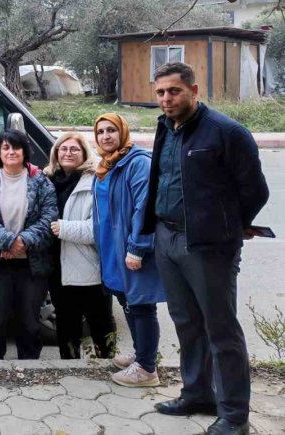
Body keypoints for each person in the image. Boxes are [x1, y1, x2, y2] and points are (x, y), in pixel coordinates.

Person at [145, 63, 269, 435]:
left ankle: (234, 416)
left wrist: (228, 226)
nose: (166, 99)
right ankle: (197, 394)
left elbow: (255, 190)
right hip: (167, 239)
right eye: (160, 92)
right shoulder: (166, 128)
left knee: (221, 331)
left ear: (194, 90)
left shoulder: (227, 132)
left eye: (174, 91)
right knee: (186, 323)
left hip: (208, 247)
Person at [92, 113, 165, 388]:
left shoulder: (137, 163)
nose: (106, 136)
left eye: (111, 130)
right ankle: (141, 353)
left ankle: (146, 369)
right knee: (127, 302)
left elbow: (144, 207)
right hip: (112, 246)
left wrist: (137, 247)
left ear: (122, 132)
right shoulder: (107, 165)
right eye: (100, 132)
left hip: (131, 248)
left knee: (141, 305)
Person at [0, 129, 57, 360]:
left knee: (29, 322)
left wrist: (23, 242)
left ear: (24, 151)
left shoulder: (41, 181)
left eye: (16, 147)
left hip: (31, 264)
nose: (11, 152)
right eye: (5, 147)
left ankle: (29, 365)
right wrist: (9, 242)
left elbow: (49, 218)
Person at [43, 132, 115, 360]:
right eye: (63, 149)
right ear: (56, 153)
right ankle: (70, 367)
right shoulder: (47, 181)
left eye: (75, 149)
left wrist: (63, 228)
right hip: (57, 266)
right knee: (66, 324)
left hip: (89, 266)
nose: (68, 153)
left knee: (100, 323)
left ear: (84, 153)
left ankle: (106, 365)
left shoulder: (96, 181)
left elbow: (101, 228)